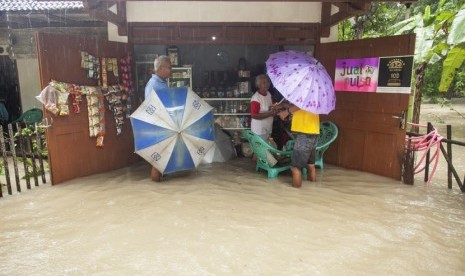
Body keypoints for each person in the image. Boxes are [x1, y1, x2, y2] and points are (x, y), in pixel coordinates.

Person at [144, 55, 172, 182]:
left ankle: (160, 190)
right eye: (169, 68)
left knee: (162, 157)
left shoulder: (160, 83)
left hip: (163, 124)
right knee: (158, 158)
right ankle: (155, 189)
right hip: (158, 126)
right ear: (161, 68)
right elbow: (151, 108)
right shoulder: (154, 85)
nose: (170, 70)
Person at [278, 104, 319, 188]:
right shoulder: (314, 94)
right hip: (314, 131)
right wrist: (284, 106)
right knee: (310, 165)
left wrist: (286, 112)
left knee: (295, 168)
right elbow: (300, 106)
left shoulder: (305, 94)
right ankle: (314, 191)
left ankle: (296, 196)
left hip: (304, 133)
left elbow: (302, 105)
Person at [250, 74, 280, 141]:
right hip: (259, 130)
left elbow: (270, 106)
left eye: (268, 82)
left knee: (266, 148)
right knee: (260, 149)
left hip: (268, 128)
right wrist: (270, 113)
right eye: (264, 82)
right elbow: (254, 115)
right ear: (258, 85)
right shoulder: (256, 98)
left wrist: (275, 108)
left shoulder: (268, 94)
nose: (267, 84)